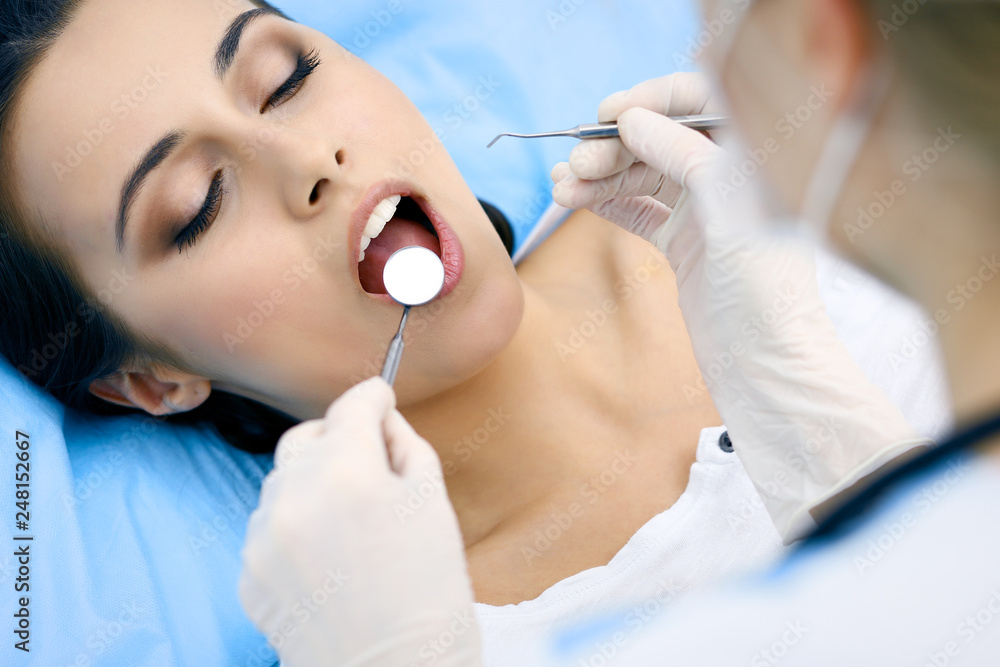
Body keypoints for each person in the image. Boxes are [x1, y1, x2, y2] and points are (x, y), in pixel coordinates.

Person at [0, 0, 943, 664]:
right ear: (154, 381)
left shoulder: (790, 163)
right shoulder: (387, 631)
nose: (305, 160)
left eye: (283, 79)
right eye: (197, 204)